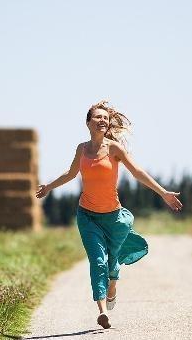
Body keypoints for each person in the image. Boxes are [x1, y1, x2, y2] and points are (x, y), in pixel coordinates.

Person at [36, 100, 183, 329]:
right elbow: (71, 173)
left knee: (112, 263)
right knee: (97, 261)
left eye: (105, 118)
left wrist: (163, 193)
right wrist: (49, 187)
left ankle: (113, 285)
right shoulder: (81, 149)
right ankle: (103, 311)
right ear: (88, 123)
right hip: (88, 217)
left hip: (113, 218)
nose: (102, 120)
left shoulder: (114, 149)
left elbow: (137, 172)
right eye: (97, 117)